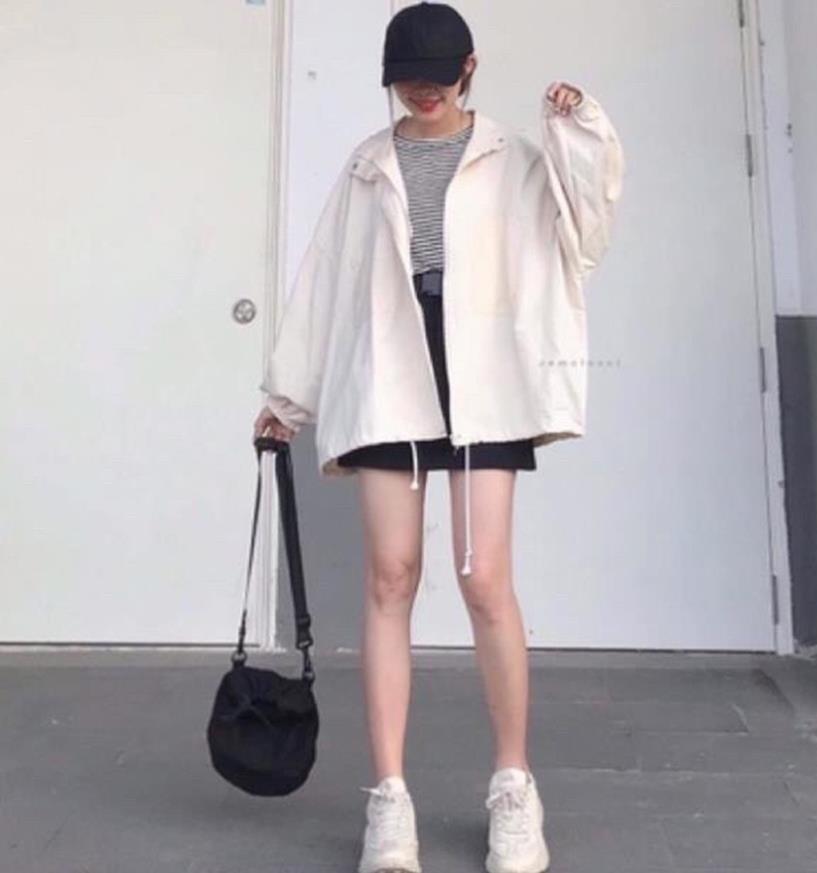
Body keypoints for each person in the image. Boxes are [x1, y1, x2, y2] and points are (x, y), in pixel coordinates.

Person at [253, 3, 625, 871]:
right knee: (390, 577)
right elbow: (325, 279)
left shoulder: (511, 155)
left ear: (469, 68)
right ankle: (388, 797)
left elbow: (586, 228)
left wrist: (579, 127)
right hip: (391, 369)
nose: (422, 91)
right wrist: (288, 394)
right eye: (406, 78)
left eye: (437, 75)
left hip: (482, 372)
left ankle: (513, 786)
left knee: (484, 578)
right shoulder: (368, 164)